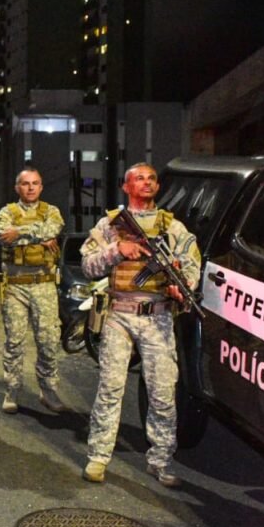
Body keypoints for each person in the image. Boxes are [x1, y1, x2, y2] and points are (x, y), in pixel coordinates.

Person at [80, 162, 201, 487]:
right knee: (110, 388)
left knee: (163, 391)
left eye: (151, 179)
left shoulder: (173, 227)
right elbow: (88, 266)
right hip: (119, 314)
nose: (146, 183)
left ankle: (161, 460)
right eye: (139, 178)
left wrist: (183, 286)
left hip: (157, 315)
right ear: (126, 186)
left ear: (157, 187)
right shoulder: (110, 225)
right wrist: (116, 250)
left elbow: (191, 265)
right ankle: (98, 456)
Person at [0, 168, 68, 414]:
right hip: (16, 285)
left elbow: (53, 230)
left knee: (48, 340)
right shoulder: (7, 213)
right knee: (14, 341)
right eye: (25, 184)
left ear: (41, 187)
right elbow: (4, 237)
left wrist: (22, 232)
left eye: (35, 183)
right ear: (17, 188)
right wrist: (38, 237)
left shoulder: (51, 211)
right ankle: (12, 389)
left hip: (44, 284)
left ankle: (48, 389)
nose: (31, 187)